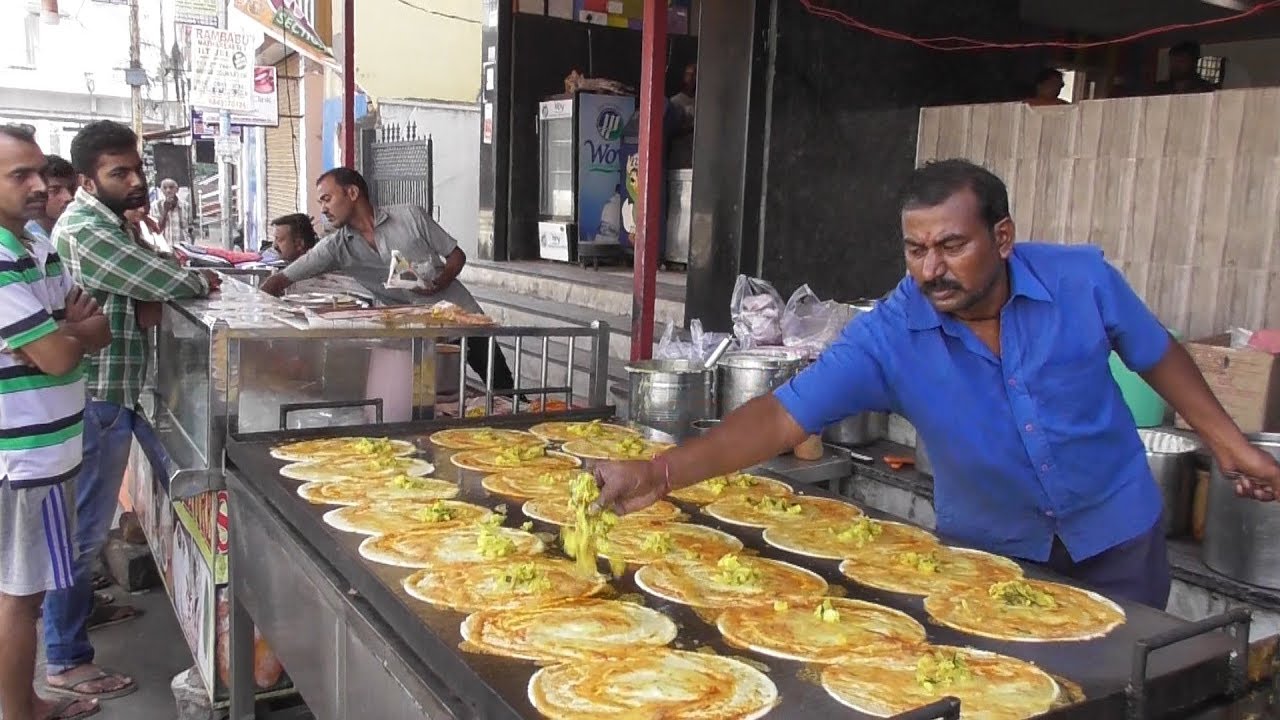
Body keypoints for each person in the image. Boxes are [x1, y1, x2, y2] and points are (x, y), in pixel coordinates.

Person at [594, 159, 1280, 610]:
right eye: (915, 249)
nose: (930, 269)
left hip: (1119, 538)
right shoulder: (888, 336)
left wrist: (1227, 444)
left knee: (1124, 692)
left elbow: (1154, 351)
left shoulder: (1083, 280)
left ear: (1003, 237)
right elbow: (781, 417)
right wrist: (661, 472)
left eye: (952, 245)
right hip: (990, 558)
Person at [48, 120, 220, 703]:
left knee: (85, 529)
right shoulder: (87, 230)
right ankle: (66, 659)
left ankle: (78, 621)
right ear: (87, 181)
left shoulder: (108, 225)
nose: (135, 181)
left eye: (136, 169)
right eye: (119, 172)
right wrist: (192, 278)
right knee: (80, 533)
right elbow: (164, 279)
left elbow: (148, 284)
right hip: (96, 397)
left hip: (114, 391)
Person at [0, 124, 110, 720]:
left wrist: (57, 334)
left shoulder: (36, 246)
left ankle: (27, 702)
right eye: (21, 175)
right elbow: (65, 353)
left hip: (52, 446)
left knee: (25, 590)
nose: (40, 185)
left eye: (41, 172)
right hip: (29, 456)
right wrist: (63, 336)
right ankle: (21, 712)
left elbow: (99, 328)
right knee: (22, 596)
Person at [260, 168, 519, 393]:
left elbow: (456, 256)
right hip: (413, 338)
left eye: (327, 199)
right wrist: (259, 319)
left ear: (352, 193)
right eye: (321, 203)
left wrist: (441, 281)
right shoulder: (336, 248)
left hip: (463, 319)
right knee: (434, 401)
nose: (323, 209)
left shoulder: (411, 218)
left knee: (504, 391)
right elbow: (282, 279)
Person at [24, 154, 76, 244]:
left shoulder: (76, 229)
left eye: (71, 189)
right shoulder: (28, 240)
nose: (69, 197)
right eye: (54, 190)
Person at [149, 178, 189, 251]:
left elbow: (188, 227)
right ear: (161, 190)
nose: (168, 190)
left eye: (171, 187)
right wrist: (165, 210)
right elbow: (155, 228)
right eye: (165, 188)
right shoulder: (155, 206)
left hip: (181, 246)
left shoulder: (185, 206)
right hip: (163, 246)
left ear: (177, 189)